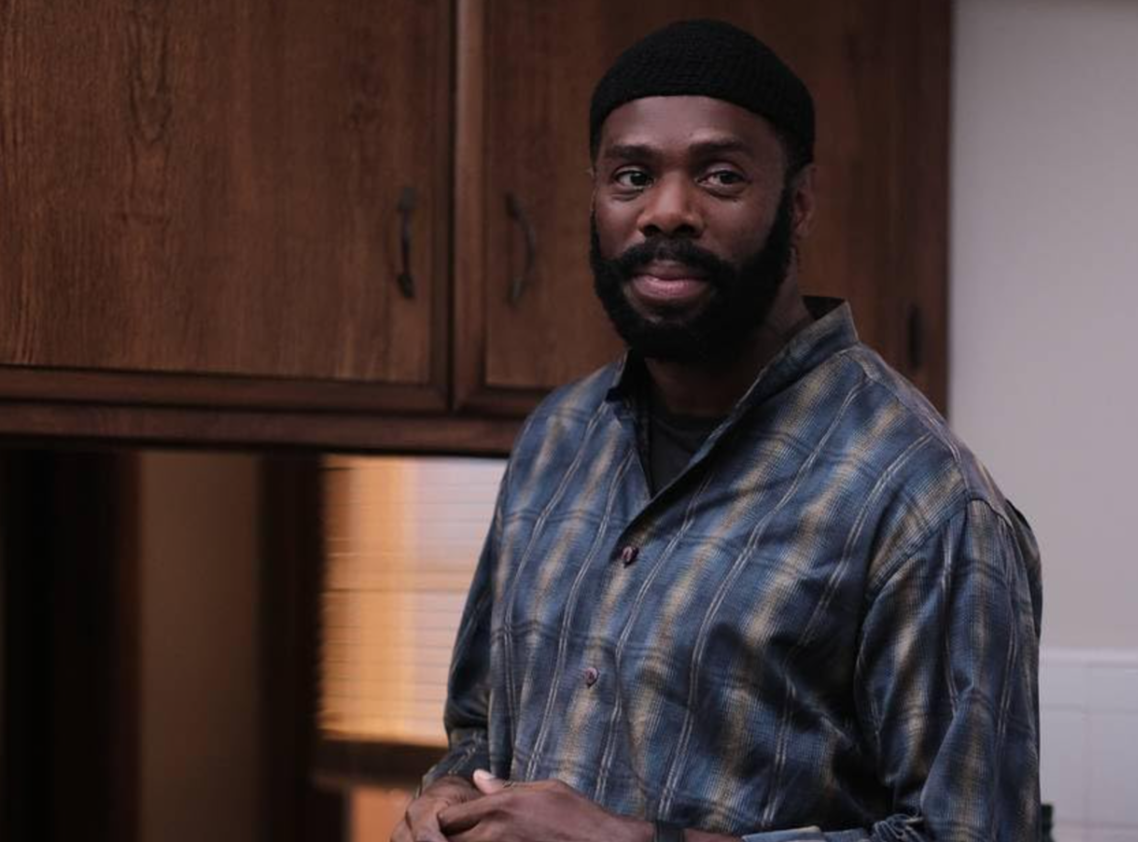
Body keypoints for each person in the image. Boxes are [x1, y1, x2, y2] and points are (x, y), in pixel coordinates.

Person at [393, 19, 1043, 842]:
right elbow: (481, 724)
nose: (667, 211)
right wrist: (449, 794)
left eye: (721, 176)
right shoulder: (556, 439)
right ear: (596, 197)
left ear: (798, 203)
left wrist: (633, 841)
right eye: (632, 177)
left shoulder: (925, 504)